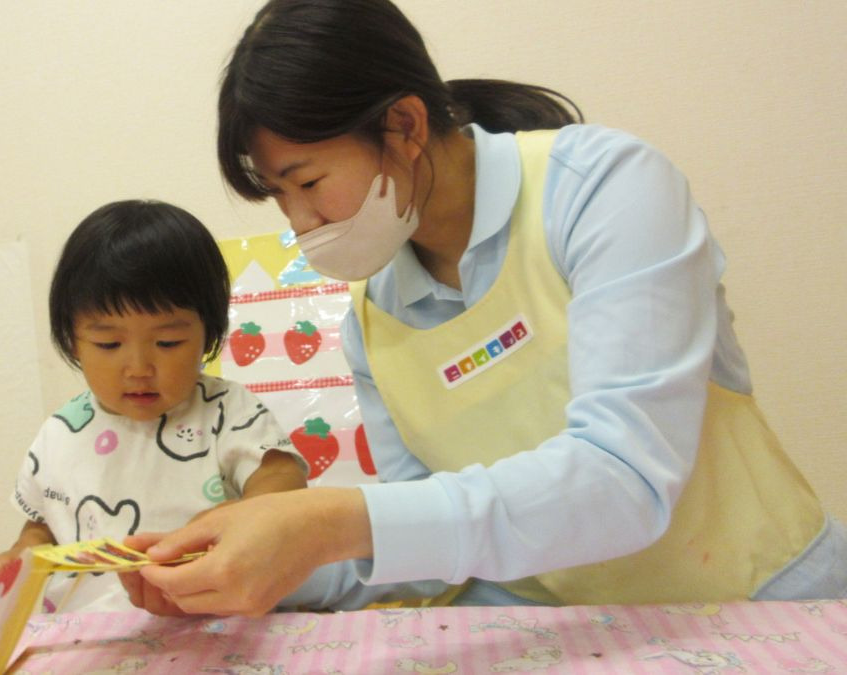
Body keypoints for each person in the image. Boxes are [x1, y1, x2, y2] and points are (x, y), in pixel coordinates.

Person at [121, 0, 847, 616]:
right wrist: (238, 568)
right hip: (592, 634)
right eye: (280, 196)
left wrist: (330, 519)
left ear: (405, 126)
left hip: (768, 605)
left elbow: (624, 480)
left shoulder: (605, 189)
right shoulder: (373, 319)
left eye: (307, 183)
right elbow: (430, 548)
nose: (300, 223)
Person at [0, 200, 308, 612]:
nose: (138, 368)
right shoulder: (62, 431)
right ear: (72, 340)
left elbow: (281, 477)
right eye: (108, 344)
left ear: (208, 334)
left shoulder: (226, 412)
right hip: (87, 632)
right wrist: (19, 558)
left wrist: (249, 515)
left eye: (167, 342)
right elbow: (43, 523)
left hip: (211, 622)